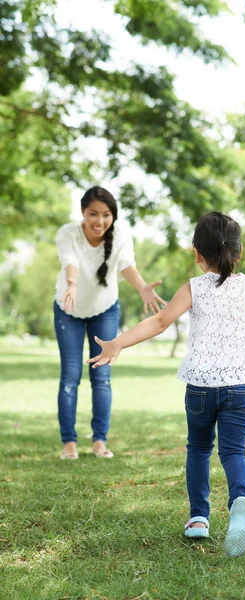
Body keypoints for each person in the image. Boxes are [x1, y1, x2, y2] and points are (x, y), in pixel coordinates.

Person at [87, 211, 245, 557]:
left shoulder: (193, 287)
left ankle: (199, 517)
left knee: (199, 449)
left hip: (200, 388)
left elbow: (159, 322)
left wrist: (118, 343)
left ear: (197, 254)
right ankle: (240, 501)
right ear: (239, 251)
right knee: (233, 451)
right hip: (240, 388)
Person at [54, 185, 166, 461]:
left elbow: (126, 264)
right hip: (68, 307)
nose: (99, 221)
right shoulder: (68, 233)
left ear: (113, 215)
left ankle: (99, 441)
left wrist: (141, 288)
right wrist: (71, 285)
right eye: (93, 214)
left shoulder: (121, 235)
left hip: (104, 308)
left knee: (101, 378)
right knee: (70, 377)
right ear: (83, 212)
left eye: (106, 214)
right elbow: (70, 261)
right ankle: (69, 443)